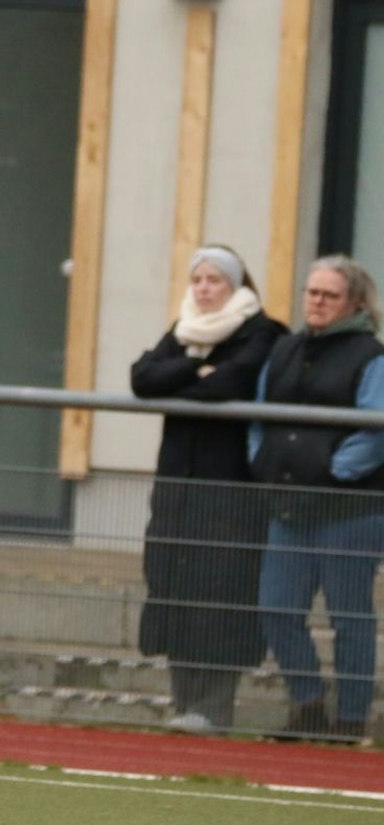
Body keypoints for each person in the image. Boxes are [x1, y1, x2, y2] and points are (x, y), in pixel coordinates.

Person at [128, 246, 284, 733]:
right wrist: (195, 371)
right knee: (174, 589)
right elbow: (142, 379)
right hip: (177, 490)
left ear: (236, 285)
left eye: (214, 280)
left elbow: (231, 383)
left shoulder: (263, 331)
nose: (203, 288)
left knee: (221, 595)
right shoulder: (182, 331)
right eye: (197, 279)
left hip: (231, 492)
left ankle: (213, 709)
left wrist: (187, 383)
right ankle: (184, 706)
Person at [250, 254, 384, 743]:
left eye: (329, 295)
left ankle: (349, 721)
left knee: (349, 616)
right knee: (278, 608)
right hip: (289, 504)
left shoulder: (372, 356)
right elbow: (260, 414)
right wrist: (261, 458)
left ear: (353, 303)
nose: (317, 302)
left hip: (352, 510)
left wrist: (335, 472)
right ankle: (307, 704)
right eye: (312, 292)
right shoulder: (285, 348)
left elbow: (377, 430)